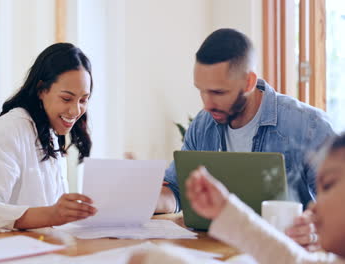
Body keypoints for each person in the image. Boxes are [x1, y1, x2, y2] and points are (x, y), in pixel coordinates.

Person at [156, 28, 335, 247]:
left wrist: (315, 229)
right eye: (201, 91)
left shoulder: (310, 127)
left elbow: (339, 211)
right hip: (213, 250)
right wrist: (140, 201)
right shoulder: (203, 125)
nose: (207, 104)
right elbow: (176, 191)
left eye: (218, 93)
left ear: (249, 82)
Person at [133, 133, 345, 264]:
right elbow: (293, 260)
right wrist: (225, 208)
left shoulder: (306, 123)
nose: (314, 206)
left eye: (328, 185)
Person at [0, 43, 96, 231]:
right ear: (42, 90)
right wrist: (51, 214)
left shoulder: (50, 129)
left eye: (83, 100)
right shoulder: (12, 127)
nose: (75, 110)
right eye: (66, 98)